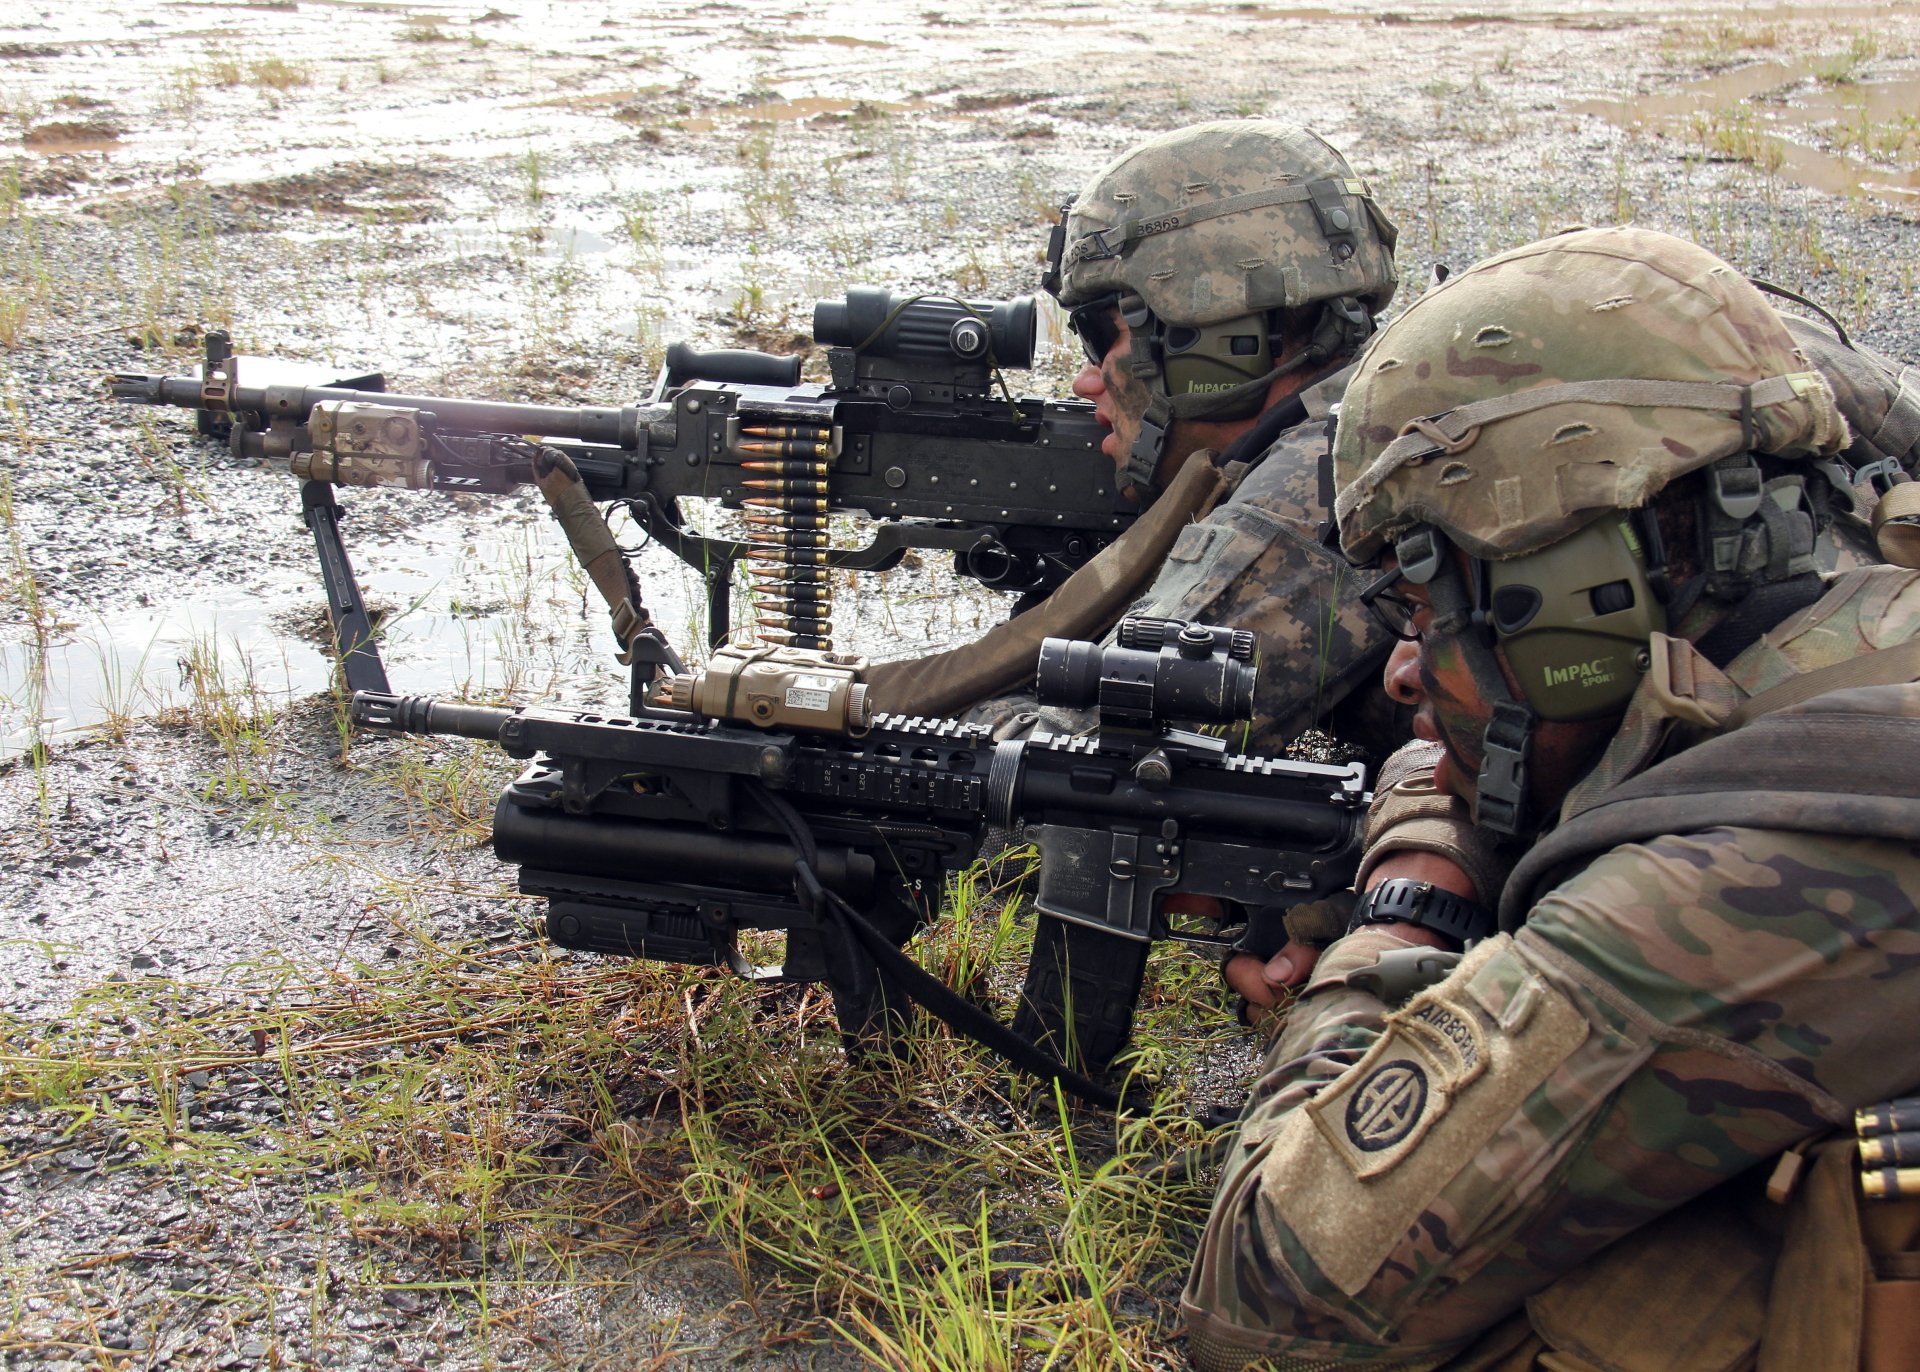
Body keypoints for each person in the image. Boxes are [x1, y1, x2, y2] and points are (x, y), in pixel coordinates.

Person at [1183, 224, 1920, 1370]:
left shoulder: (1766, 862)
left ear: (1582, 592)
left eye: (1426, 600)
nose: (1404, 669)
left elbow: (1269, 1297)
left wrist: (1408, 907)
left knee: (1595, 1311)